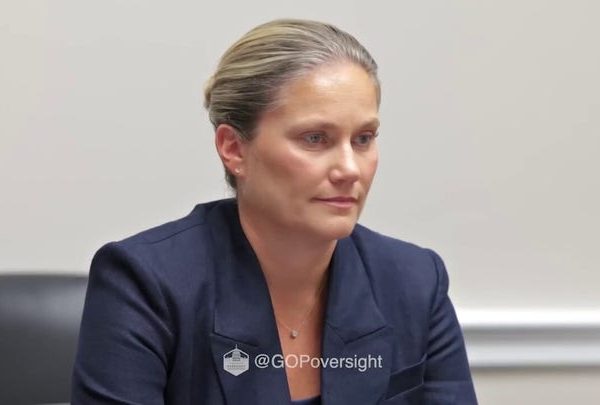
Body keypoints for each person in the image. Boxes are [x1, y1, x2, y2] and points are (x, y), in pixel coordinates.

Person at [71, 19, 478, 404]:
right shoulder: (147, 281)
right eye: (315, 138)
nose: (350, 169)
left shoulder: (415, 280)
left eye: (363, 138)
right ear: (234, 149)